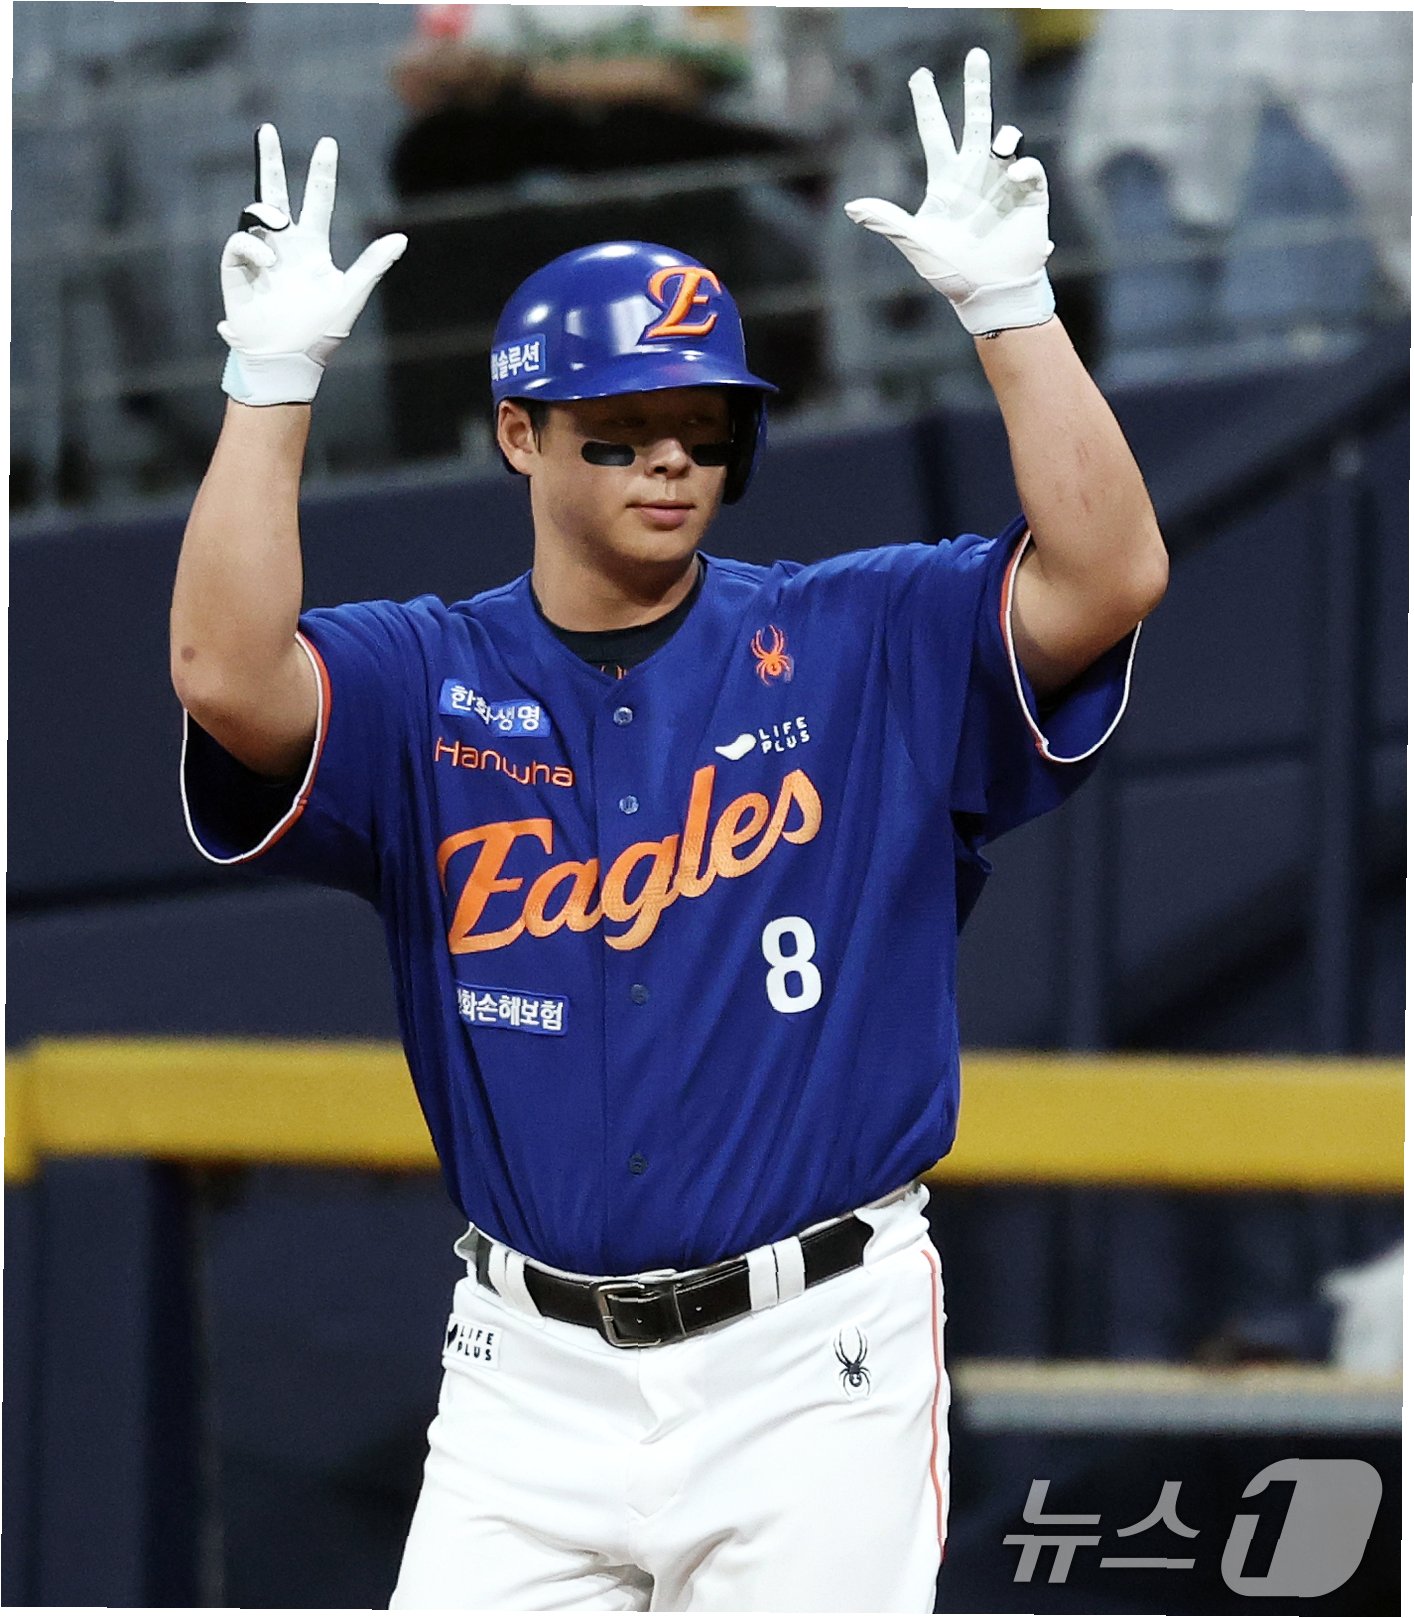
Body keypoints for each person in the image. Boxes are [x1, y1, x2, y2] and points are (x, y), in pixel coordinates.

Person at [172, 49, 1166, 1612]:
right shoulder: (427, 674)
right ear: (518, 434)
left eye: (701, 429)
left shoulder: (858, 637)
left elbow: (1106, 577)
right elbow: (225, 675)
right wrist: (268, 387)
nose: (669, 462)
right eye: (620, 428)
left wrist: (1014, 312)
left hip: (811, 1359)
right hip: (522, 1377)